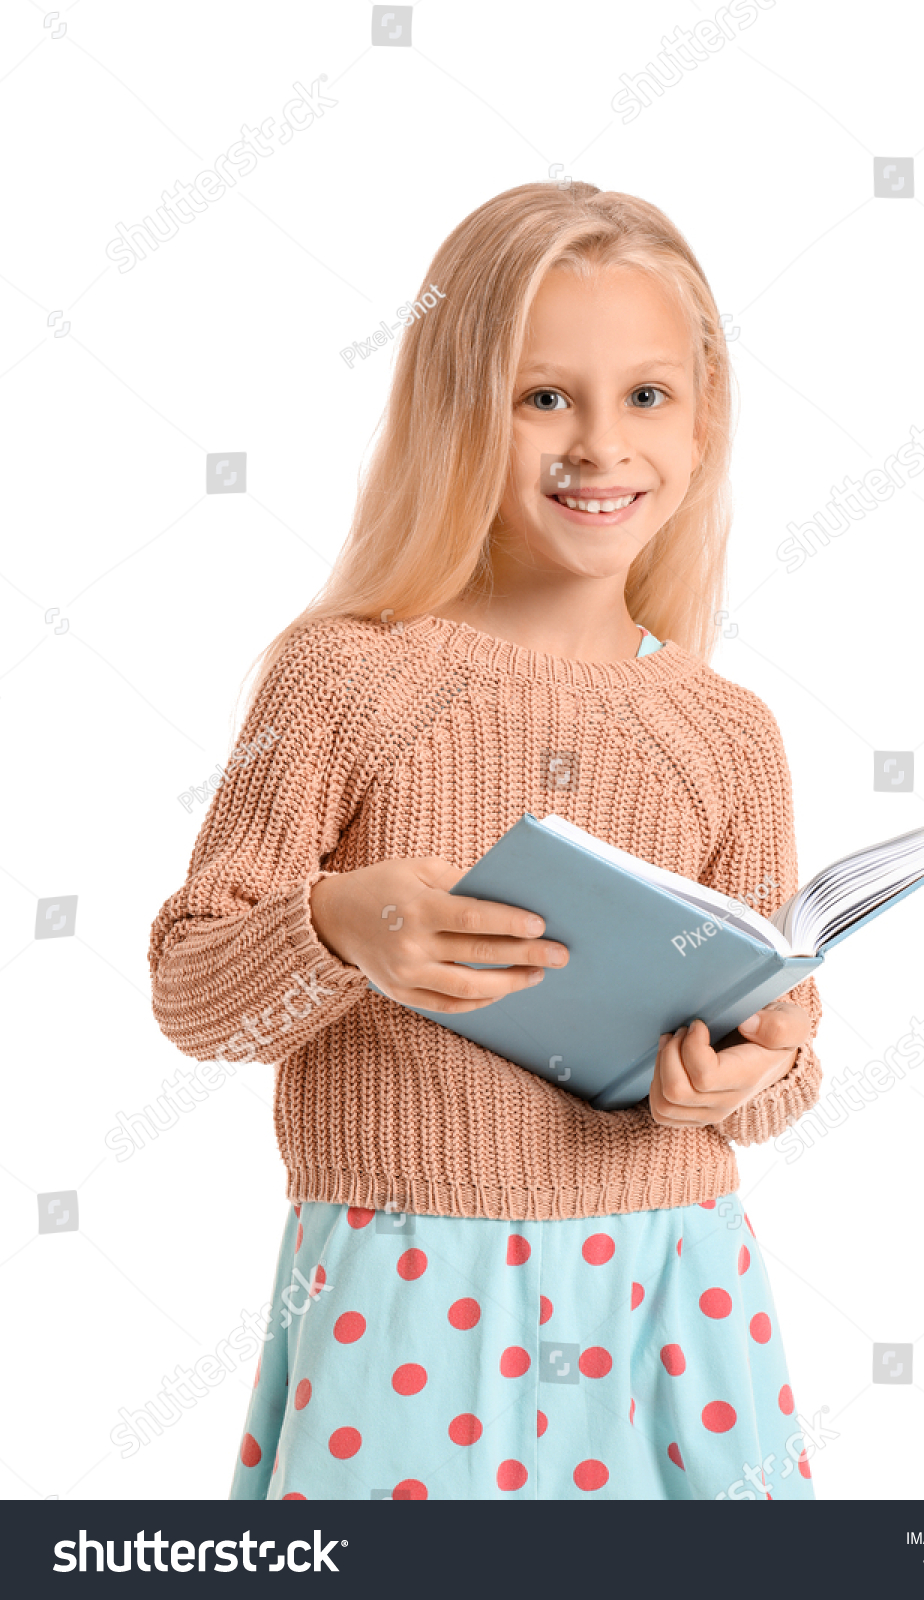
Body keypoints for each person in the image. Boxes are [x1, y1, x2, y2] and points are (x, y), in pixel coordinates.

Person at [148, 181, 824, 1501]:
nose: (599, 446)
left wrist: (748, 1073)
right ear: (457, 412)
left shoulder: (727, 732)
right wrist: (341, 926)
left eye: (646, 396)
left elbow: (783, 1065)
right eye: (542, 397)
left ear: (703, 423)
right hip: (406, 1279)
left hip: (674, 1290)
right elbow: (195, 995)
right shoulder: (346, 680)